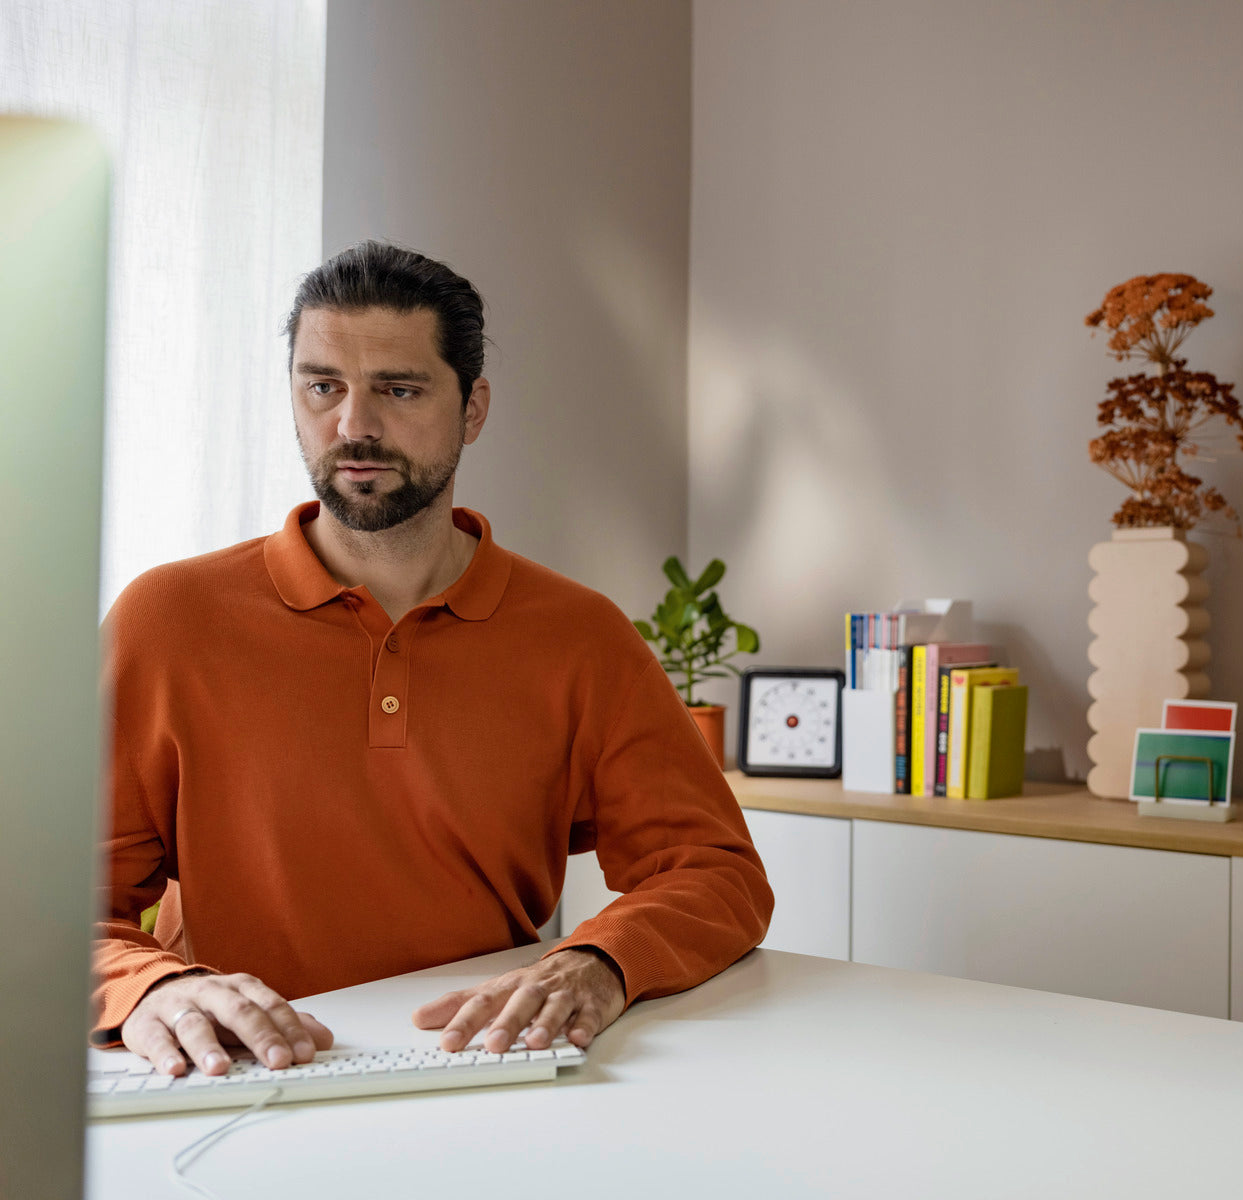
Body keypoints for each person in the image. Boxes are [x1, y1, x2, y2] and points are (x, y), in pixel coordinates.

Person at [94, 241, 773, 1078]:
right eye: (323, 387)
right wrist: (151, 989)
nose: (354, 426)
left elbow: (715, 873)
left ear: (473, 409)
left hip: (480, 1064)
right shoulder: (168, 621)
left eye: (399, 389)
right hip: (238, 1077)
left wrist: (598, 963)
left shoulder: (581, 636)